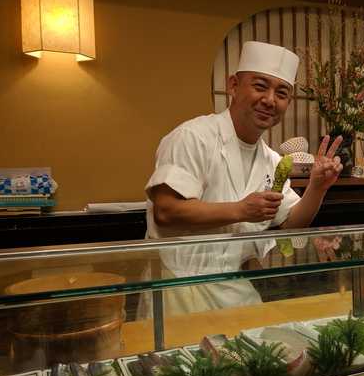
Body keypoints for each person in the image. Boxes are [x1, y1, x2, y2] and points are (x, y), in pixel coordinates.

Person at [146, 41, 343, 238]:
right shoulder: (193, 137)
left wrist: (316, 189)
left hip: (238, 269)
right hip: (176, 268)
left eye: (281, 94)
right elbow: (165, 211)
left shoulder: (272, 161)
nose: (269, 100)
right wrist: (241, 210)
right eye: (260, 87)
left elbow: (290, 223)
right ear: (233, 85)